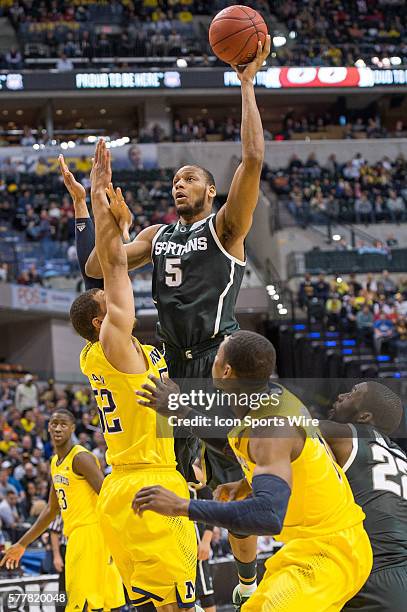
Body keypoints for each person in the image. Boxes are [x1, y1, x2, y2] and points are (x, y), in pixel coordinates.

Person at [63, 37, 271, 606]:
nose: (179, 184)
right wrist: (100, 210)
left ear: (210, 189)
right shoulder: (155, 237)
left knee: (236, 487)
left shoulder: (226, 228)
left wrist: (248, 83)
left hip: (217, 362)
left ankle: (248, 578)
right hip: (172, 366)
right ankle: (168, 589)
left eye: (190, 178)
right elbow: (93, 267)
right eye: (174, 180)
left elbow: (252, 160)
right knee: (168, 487)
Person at [134, 330, 373, 611]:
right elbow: (243, 446)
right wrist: (246, 483)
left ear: (225, 370)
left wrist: (181, 506)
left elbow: (267, 515)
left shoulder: (271, 429)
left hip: (331, 553)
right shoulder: (268, 400)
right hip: (310, 545)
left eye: (218, 353)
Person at [69, 140, 198, 611]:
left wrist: (94, 214)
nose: (110, 295)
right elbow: (116, 267)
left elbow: (96, 284)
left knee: (149, 605)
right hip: (152, 484)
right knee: (181, 605)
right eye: (107, 303)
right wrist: (102, 200)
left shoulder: (97, 355)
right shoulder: (115, 344)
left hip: (122, 490)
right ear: (102, 324)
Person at [0, 408, 125, 611]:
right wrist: (22, 544)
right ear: (48, 427)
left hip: (91, 534)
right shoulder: (55, 463)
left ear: (72, 428)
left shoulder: (81, 458)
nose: (58, 428)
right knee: (103, 602)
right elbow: (51, 509)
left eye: (63, 424)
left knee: (80, 602)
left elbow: (107, 497)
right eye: (54, 423)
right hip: (81, 535)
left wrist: (117, 538)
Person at [320, 382, 407, 611]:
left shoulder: (349, 434)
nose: (340, 395)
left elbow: (286, 428)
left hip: (372, 575)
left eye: (352, 394)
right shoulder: (402, 458)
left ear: (364, 416)